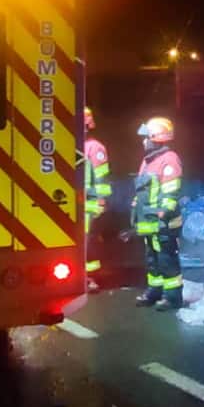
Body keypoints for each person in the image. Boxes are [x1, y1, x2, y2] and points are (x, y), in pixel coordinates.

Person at [132, 116, 183, 310]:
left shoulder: (169, 160)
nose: (144, 141)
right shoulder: (147, 161)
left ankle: (173, 297)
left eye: (146, 137)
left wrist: (164, 213)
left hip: (164, 223)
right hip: (149, 220)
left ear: (156, 137)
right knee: (152, 260)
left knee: (167, 260)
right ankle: (154, 292)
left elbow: (171, 191)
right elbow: (142, 190)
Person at [82, 107, 112, 289]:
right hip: (76, 201)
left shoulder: (95, 148)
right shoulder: (75, 144)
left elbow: (101, 177)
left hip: (90, 203)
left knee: (88, 241)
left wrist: (100, 200)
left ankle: (90, 277)